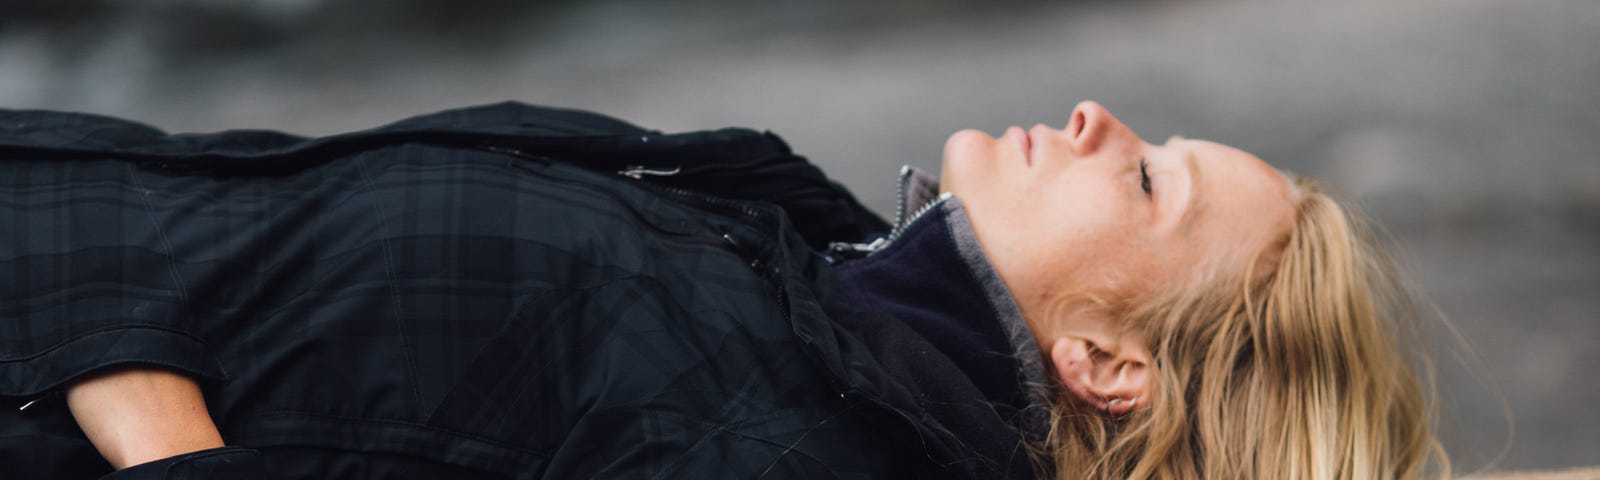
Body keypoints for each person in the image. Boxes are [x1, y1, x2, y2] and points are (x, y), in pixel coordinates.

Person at [0, 100, 1447, 479]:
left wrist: (128, 375)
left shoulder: (798, 452)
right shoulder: (814, 273)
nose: (1093, 122)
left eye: (1147, 181)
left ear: (1106, 361)